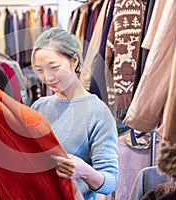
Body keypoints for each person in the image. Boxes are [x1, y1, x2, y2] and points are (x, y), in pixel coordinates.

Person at [30, 27, 119, 200]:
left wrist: (83, 170)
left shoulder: (98, 113)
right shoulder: (38, 107)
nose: (47, 78)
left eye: (54, 67)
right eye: (40, 70)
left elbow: (110, 182)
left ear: (74, 61)